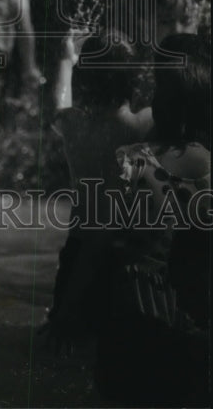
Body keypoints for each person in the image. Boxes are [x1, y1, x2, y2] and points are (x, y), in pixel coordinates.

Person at [93, 34, 211, 407]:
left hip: (131, 322)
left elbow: (104, 243)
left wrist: (70, 311)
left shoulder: (132, 161)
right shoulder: (208, 167)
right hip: (191, 326)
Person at [45, 30, 154, 339]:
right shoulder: (141, 125)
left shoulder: (72, 125)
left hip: (76, 249)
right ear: (134, 80)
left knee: (63, 342)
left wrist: (66, 61)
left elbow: (58, 101)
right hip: (118, 255)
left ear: (84, 81)